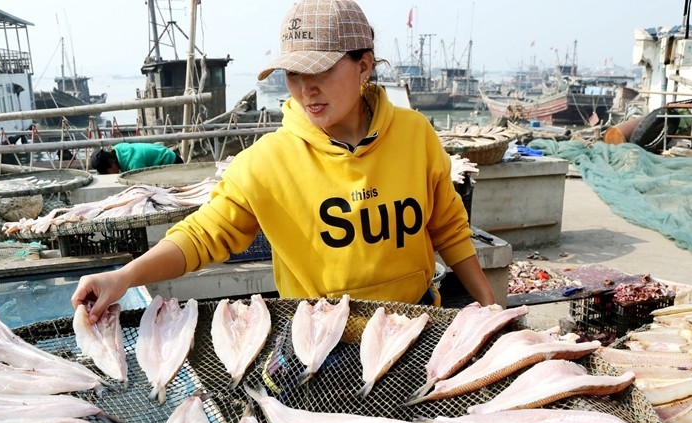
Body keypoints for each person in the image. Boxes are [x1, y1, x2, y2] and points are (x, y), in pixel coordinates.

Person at [72, 0, 495, 322]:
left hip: (416, 322)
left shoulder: (414, 134)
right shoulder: (265, 163)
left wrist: (490, 309)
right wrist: (123, 277)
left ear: (363, 65)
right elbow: (202, 236)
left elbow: (448, 227)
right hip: (322, 336)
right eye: (294, 74)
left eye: (322, 70)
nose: (306, 88)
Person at [91, 142, 182, 174]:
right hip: (166, 153)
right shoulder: (118, 149)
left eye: (107, 173)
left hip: (172, 162)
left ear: (111, 164)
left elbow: (143, 185)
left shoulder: (134, 164)